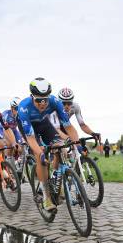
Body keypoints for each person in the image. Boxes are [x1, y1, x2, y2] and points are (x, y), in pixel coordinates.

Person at [17, 77, 80, 211]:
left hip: (43, 123)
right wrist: (39, 153)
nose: (43, 103)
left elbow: (68, 126)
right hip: (29, 129)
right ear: (32, 97)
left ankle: (57, 181)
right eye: (39, 100)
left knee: (60, 147)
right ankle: (46, 197)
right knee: (40, 157)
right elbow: (31, 138)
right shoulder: (23, 108)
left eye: (45, 99)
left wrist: (77, 144)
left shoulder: (55, 102)